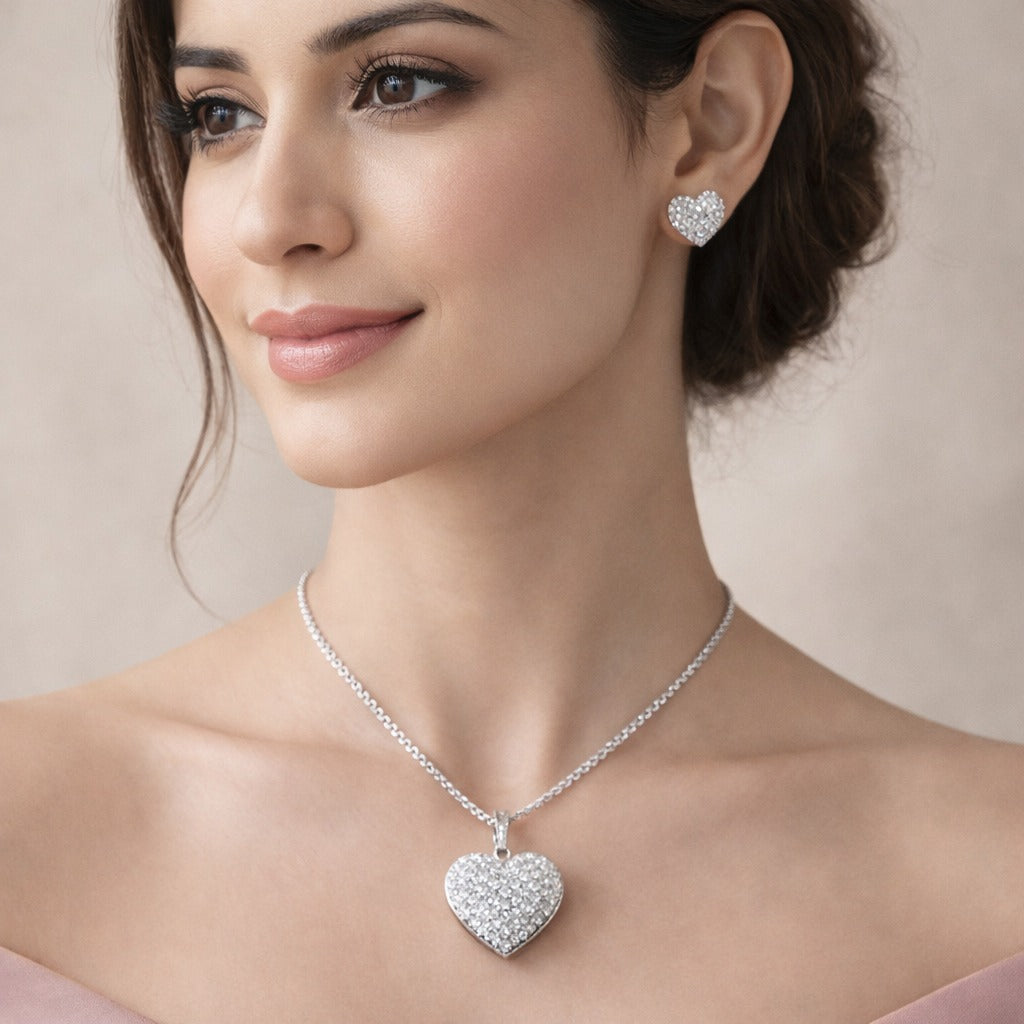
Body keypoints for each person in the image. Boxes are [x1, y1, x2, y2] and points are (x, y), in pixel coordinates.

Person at [1, 0, 1022, 1021]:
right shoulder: (25, 833)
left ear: (712, 121)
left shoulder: (993, 886)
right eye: (220, 115)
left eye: (397, 84)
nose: (270, 220)